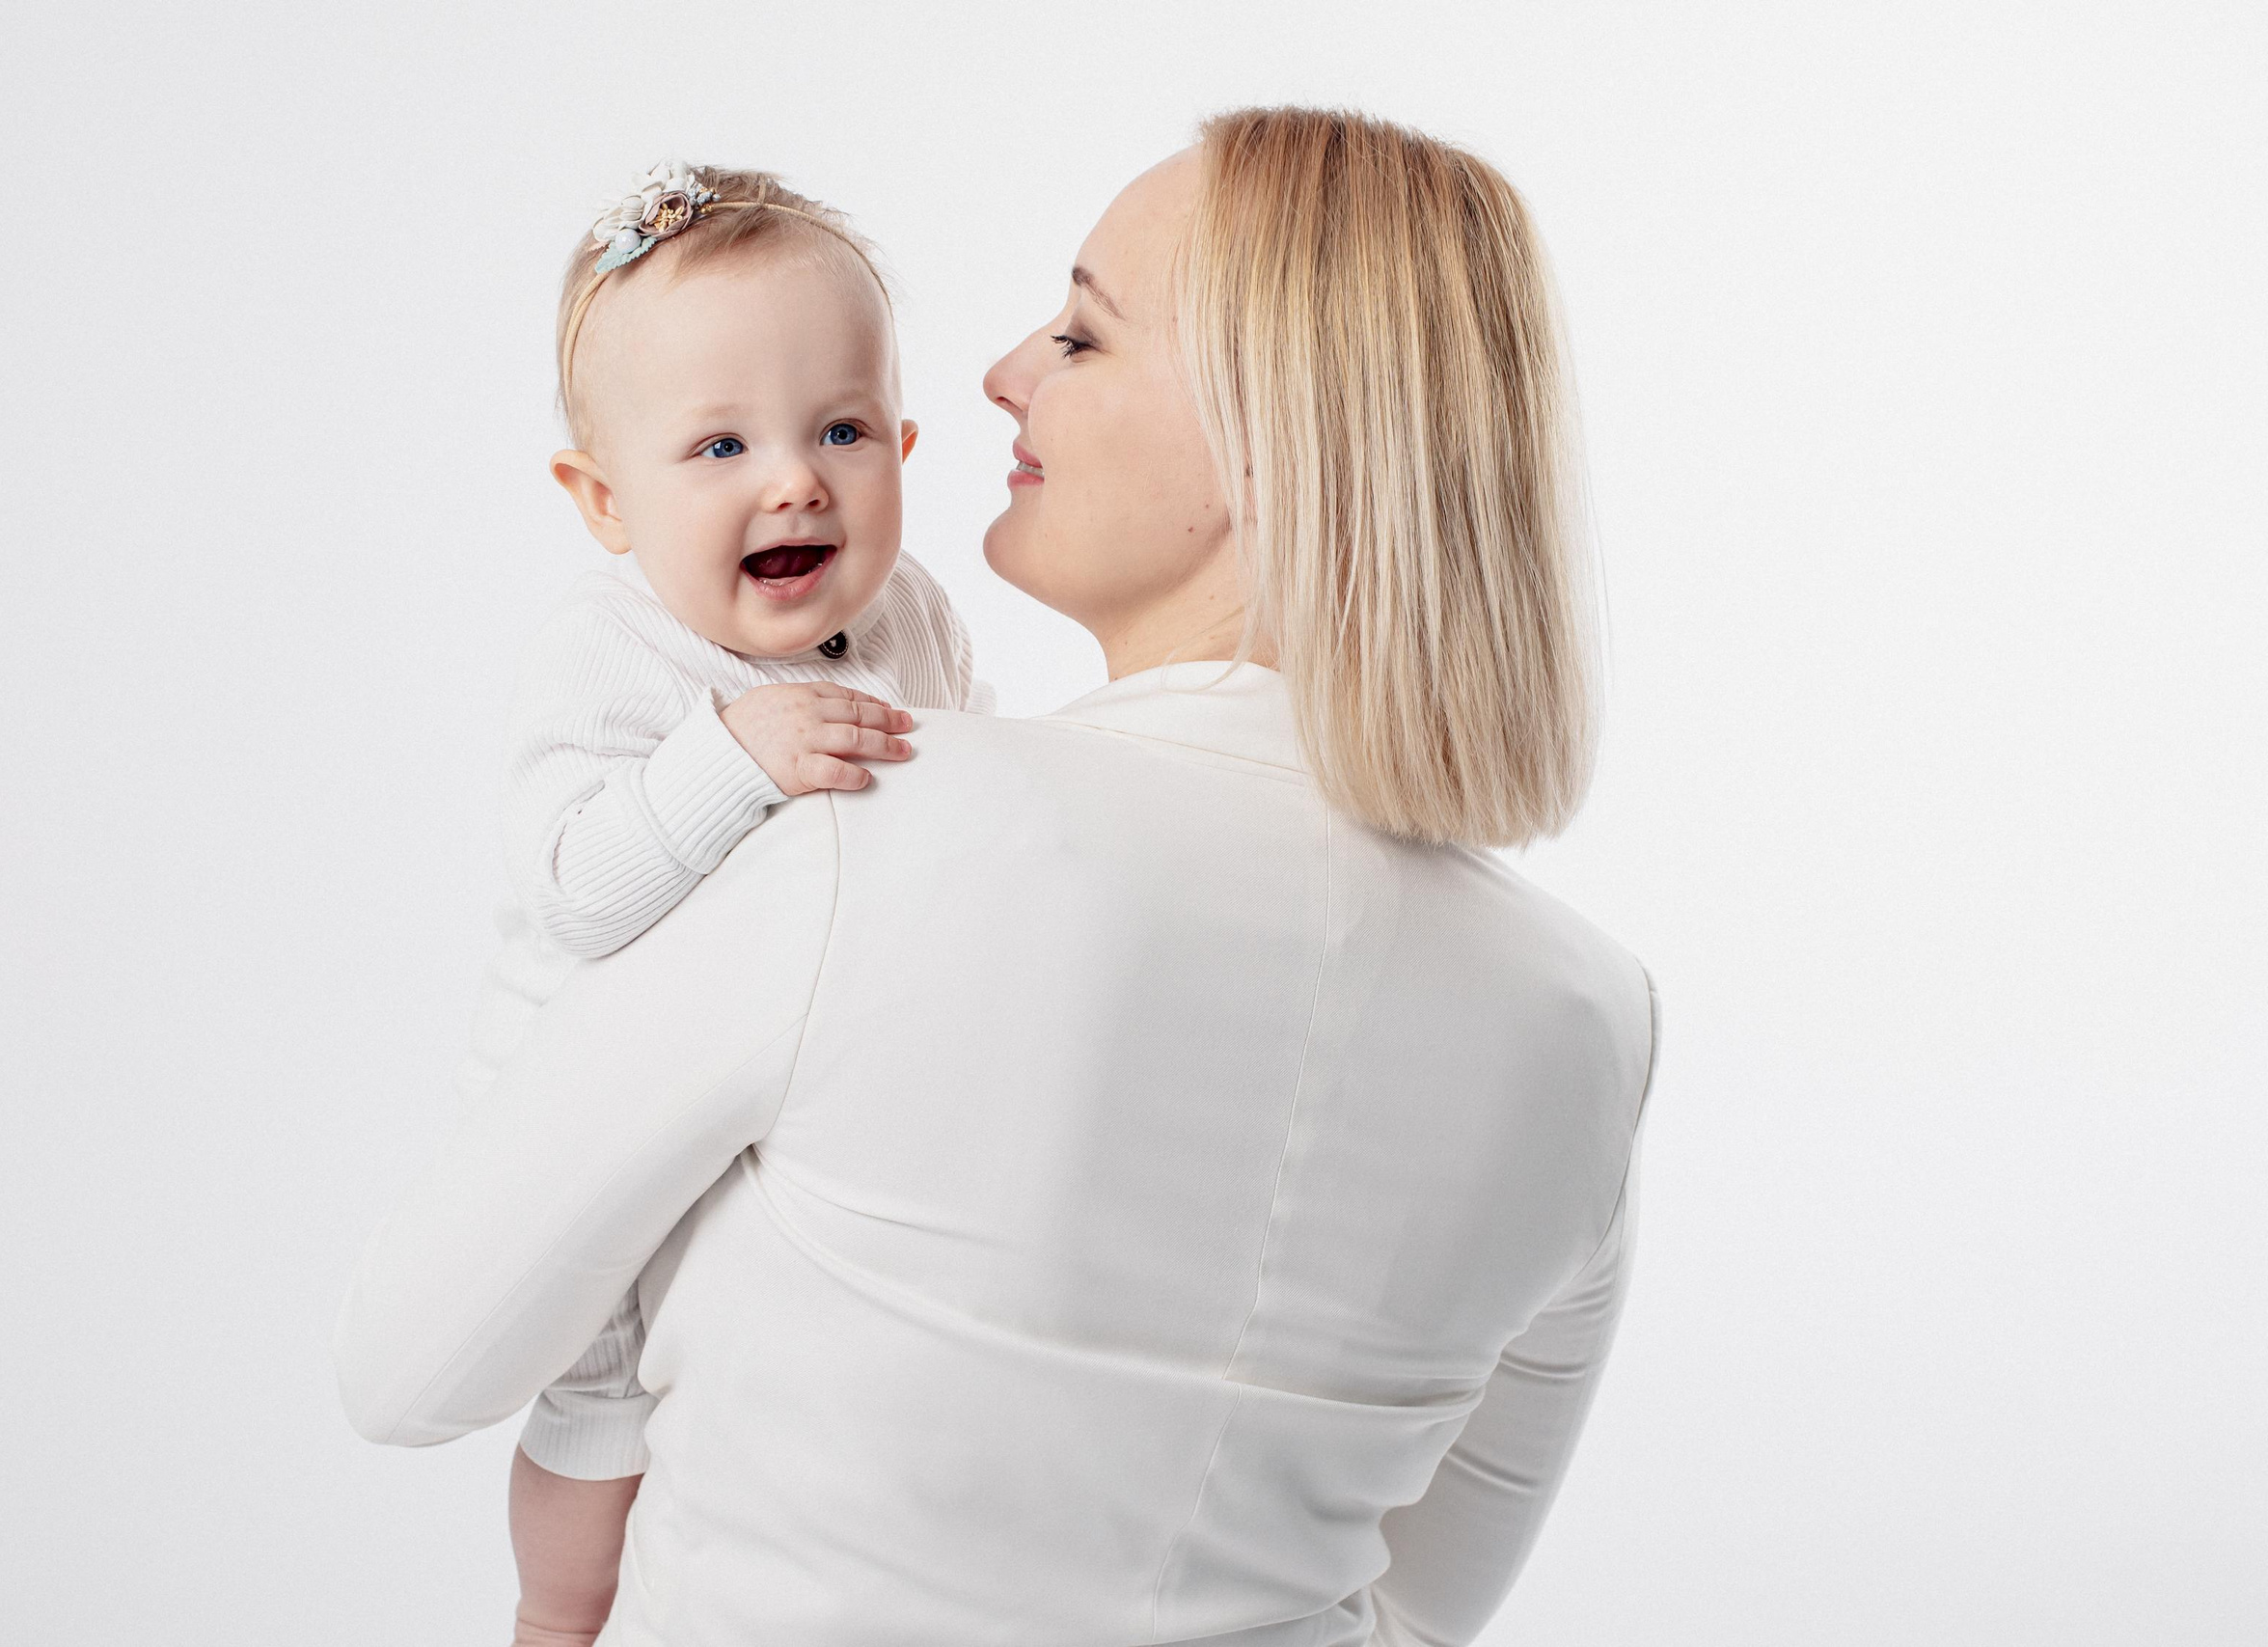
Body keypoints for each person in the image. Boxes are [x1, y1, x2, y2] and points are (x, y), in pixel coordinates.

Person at [338, 105, 1658, 1647]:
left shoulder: (861, 819)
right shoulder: (1593, 1028)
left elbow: (407, 1368)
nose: (1001, 373)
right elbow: (1429, 1606)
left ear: (1266, 436)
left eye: (1084, 337)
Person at [452, 159, 997, 1626]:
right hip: (590, 1114)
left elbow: (974, 786)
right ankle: (554, 1623)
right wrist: (724, 759)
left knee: (760, 1377)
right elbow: (575, 889)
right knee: (604, 1400)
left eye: (841, 429)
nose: (794, 479)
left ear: (903, 442)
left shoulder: (910, 615)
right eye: (719, 448)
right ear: (602, 501)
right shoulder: (617, 653)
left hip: (778, 1097)